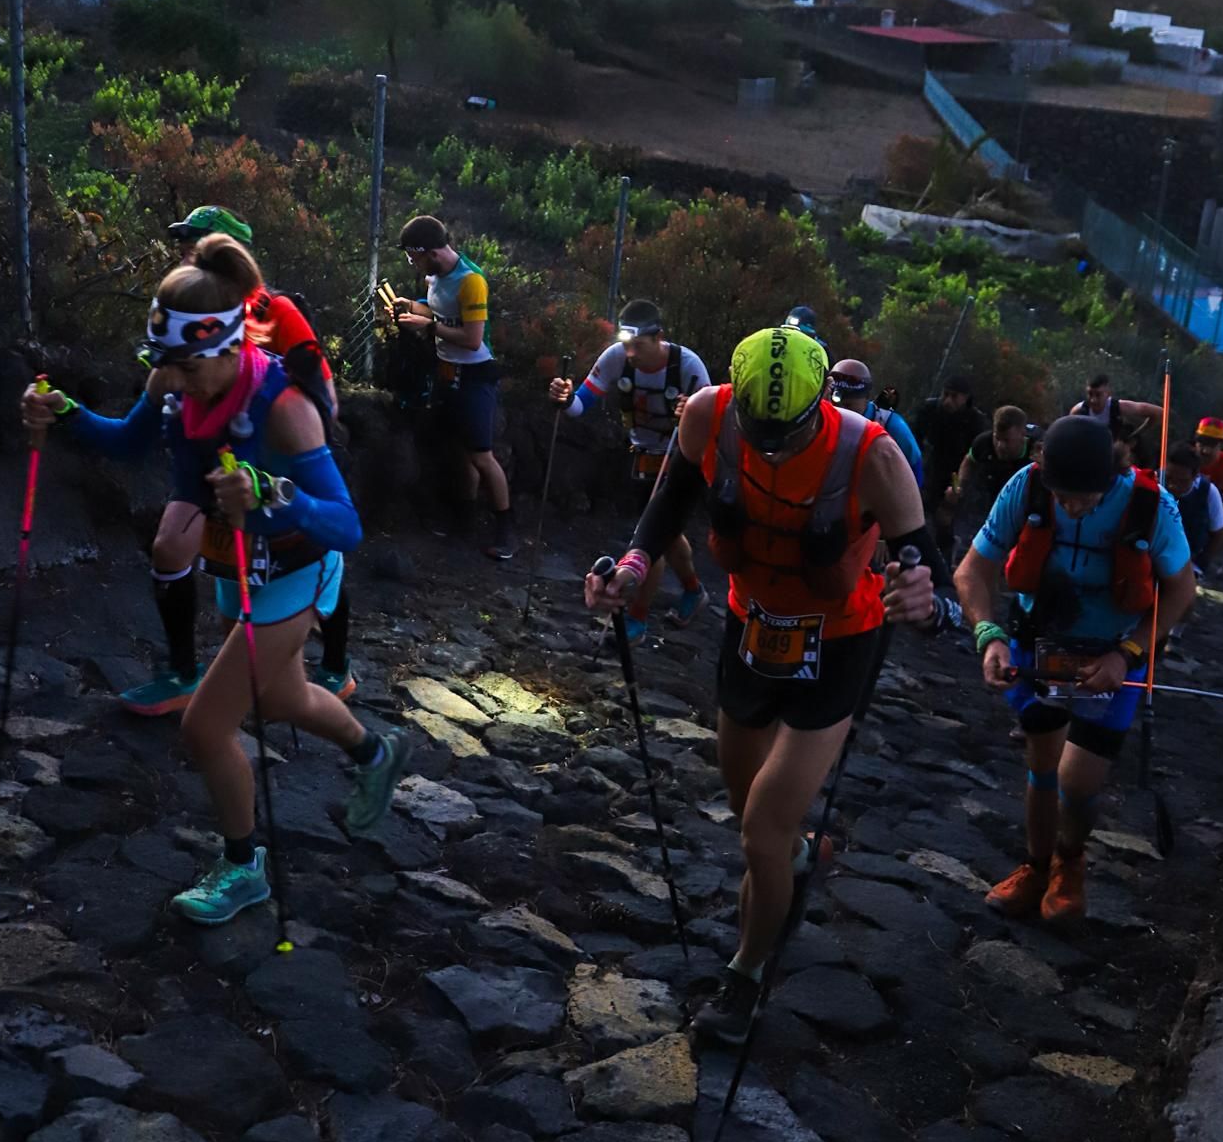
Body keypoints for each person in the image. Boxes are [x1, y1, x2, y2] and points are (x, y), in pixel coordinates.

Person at [21, 233, 406, 925]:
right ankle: (375, 751)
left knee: (204, 727)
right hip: (238, 564)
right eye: (164, 364)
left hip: (294, 570)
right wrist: (67, 414)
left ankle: (242, 866)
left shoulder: (285, 410)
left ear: (230, 347)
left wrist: (271, 493)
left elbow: (347, 526)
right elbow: (127, 443)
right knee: (284, 697)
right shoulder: (174, 381)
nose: (173, 380)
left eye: (187, 367)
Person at [586, 325, 953, 1045]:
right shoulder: (708, 416)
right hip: (751, 629)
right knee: (751, 815)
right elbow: (666, 508)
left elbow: (932, 581)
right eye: (759, 432)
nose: (771, 447)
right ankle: (795, 865)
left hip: (838, 645)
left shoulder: (873, 456)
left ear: (822, 404)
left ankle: (747, 976)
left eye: (786, 434)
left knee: (762, 829)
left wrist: (925, 604)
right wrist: (629, 569)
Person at [956, 416, 1194, 926]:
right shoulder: (1027, 488)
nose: (1071, 508)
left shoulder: (1152, 506)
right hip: (1041, 645)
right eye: (1062, 496)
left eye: (1084, 499)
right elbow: (971, 570)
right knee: (1042, 762)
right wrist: (988, 635)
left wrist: (1128, 653)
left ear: (1111, 478)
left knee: (1079, 780)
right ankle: (1036, 867)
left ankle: (1070, 861)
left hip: (1114, 656)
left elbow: (1181, 591)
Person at [119, 205, 353, 715]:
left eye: (197, 240)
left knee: (317, 555)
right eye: (184, 241)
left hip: (280, 455)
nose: (186, 250)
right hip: (216, 463)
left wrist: (287, 447)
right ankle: (184, 671)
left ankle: (336, 664)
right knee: (170, 546)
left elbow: (321, 390)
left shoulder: (276, 310)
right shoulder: (182, 310)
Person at [549, 299, 710, 643]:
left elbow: (710, 427)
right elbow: (581, 404)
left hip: (678, 458)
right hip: (641, 454)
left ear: (659, 337)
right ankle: (693, 590)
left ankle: (637, 617)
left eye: (639, 345)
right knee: (665, 532)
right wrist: (565, 398)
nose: (631, 353)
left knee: (648, 536)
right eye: (626, 344)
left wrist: (692, 414)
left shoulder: (688, 366)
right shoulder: (615, 359)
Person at [390, 215, 514, 560]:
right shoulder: (435, 276)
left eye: (413, 257)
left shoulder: (470, 281)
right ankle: (464, 520)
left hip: (475, 375)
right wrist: (410, 306)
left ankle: (506, 529)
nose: (413, 264)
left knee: (482, 455)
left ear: (430, 252)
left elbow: (472, 338)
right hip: (447, 371)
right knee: (460, 451)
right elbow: (438, 310)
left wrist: (427, 327)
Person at [913, 377, 988, 556]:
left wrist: (957, 490)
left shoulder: (976, 421)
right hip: (929, 470)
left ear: (965, 398)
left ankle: (945, 555)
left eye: (954, 396)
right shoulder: (930, 410)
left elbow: (977, 461)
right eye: (945, 394)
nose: (948, 401)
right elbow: (913, 440)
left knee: (946, 523)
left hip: (957, 477)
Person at [954, 405, 1037, 559]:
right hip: (987, 503)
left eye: (1007, 440)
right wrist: (961, 485)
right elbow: (969, 460)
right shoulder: (983, 442)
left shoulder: (1037, 450)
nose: (1000, 446)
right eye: (997, 438)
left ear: (1022, 434)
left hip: (1023, 510)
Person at [827, 359, 922, 482]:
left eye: (848, 405)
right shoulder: (821, 416)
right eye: (834, 404)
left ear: (867, 398)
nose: (841, 411)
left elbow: (915, 469)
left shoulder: (892, 426)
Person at [1162, 441, 1223, 577]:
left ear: (1195, 476)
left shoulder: (1208, 492)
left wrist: (1200, 564)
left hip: (1187, 561)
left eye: (1182, 481)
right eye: (1169, 478)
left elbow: (1219, 532)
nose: (1173, 485)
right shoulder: (1154, 481)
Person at [1068, 374, 1164, 437]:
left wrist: (1135, 435)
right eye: (1090, 394)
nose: (1093, 400)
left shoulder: (1120, 407)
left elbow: (1159, 412)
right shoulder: (1078, 411)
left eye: (1098, 395)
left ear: (1108, 393)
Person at [1192, 416, 1223, 523]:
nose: (1205, 450)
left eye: (1212, 445)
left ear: (1222, 445)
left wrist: (1205, 513)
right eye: (1201, 443)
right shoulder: (1184, 458)